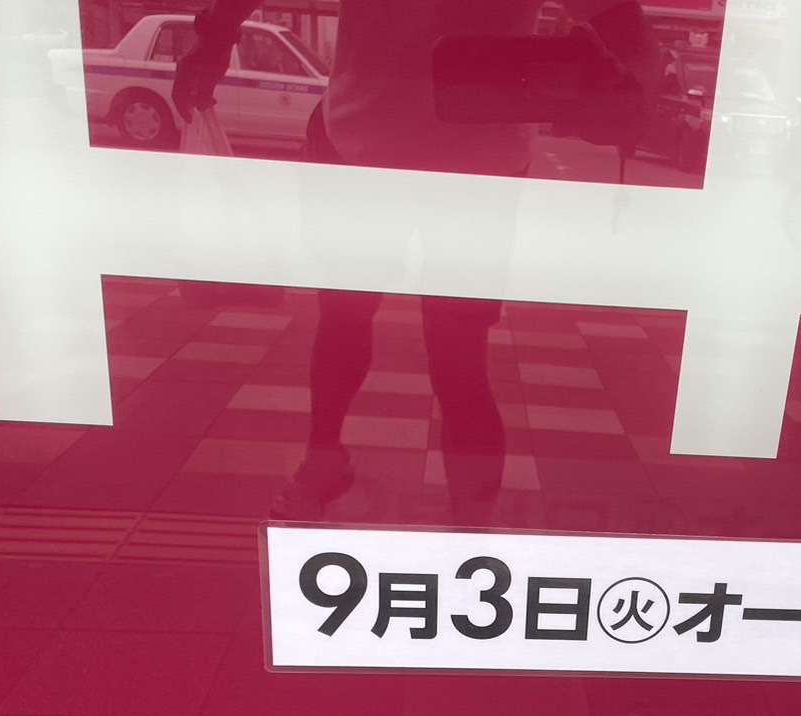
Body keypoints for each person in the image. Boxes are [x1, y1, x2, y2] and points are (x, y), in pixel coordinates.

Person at [174, 0, 655, 521]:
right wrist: (629, 95)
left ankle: (326, 463)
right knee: (457, 358)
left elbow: (627, 34)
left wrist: (214, 40)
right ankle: (468, 528)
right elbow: (627, 32)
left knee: (346, 321)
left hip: (367, 139)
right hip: (474, 162)